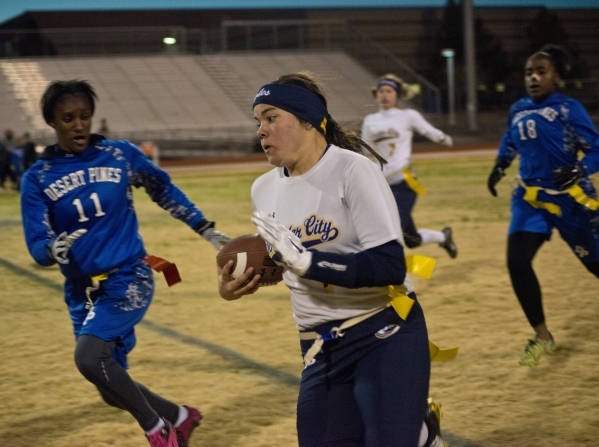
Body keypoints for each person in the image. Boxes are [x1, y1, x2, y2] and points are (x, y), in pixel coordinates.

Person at [218, 72, 448, 447]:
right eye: (258, 121)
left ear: (307, 119)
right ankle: (417, 432)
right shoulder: (263, 188)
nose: (261, 130)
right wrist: (239, 283)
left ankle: (417, 433)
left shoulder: (353, 170)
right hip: (319, 344)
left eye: (272, 117)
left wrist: (310, 262)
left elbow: (389, 265)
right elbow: (283, 262)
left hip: (383, 331)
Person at [20, 79, 231, 447]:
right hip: (82, 291)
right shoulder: (36, 178)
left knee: (88, 358)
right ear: (52, 122)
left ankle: (158, 431)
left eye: (85, 116)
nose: (79, 124)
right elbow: (37, 243)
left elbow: (162, 188)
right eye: (68, 117)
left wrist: (206, 229)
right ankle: (180, 418)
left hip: (128, 276)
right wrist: (53, 249)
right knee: (107, 384)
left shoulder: (120, 155)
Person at [487, 44, 599, 367]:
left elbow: (595, 150)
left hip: (571, 200)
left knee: (595, 265)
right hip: (530, 199)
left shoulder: (568, 108)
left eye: (541, 72)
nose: (533, 77)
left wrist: (580, 169)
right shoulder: (518, 108)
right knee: (517, 262)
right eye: (528, 72)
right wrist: (499, 166)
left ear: (558, 78)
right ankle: (542, 337)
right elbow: (510, 140)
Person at [361, 74, 457, 258]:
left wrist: (444, 139)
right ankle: (443, 237)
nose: (384, 95)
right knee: (411, 240)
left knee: (391, 231)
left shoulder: (407, 115)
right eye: (381, 91)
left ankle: (405, 273)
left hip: (404, 181)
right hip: (383, 186)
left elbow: (429, 131)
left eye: (389, 91)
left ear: (397, 95)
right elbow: (366, 151)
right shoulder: (370, 120)